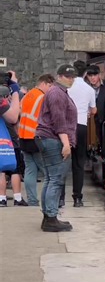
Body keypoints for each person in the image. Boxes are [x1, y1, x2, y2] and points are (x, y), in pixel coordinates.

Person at [35, 65, 78, 232]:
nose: (71, 79)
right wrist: (66, 143)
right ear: (59, 76)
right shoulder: (57, 93)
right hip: (53, 140)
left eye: (73, 77)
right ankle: (51, 218)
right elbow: (59, 120)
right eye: (68, 76)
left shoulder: (57, 92)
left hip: (47, 139)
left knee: (50, 178)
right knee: (56, 179)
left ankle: (48, 216)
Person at [19, 74, 55, 206]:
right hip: (37, 138)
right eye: (50, 86)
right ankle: (50, 201)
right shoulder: (42, 98)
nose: (51, 90)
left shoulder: (28, 95)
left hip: (23, 137)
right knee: (48, 172)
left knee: (30, 171)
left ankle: (33, 201)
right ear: (45, 83)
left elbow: (19, 112)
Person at [68, 61, 96, 207]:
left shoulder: (67, 87)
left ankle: (60, 198)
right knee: (79, 163)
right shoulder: (89, 89)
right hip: (81, 126)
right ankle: (77, 198)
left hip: (66, 127)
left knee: (63, 162)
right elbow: (94, 110)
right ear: (85, 73)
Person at [0, 71, 28, 207]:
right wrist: (15, 90)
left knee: (1, 169)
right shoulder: (3, 98)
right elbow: (14, 116)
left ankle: (2, 199)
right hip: (8, 137)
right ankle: (17, 198)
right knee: (15, 168)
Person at [86, 65, 105, 156]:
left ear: (99, 75)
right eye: (90, 75)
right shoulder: (86, 87)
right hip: (95, 117)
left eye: (94, 75)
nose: (92, 78)